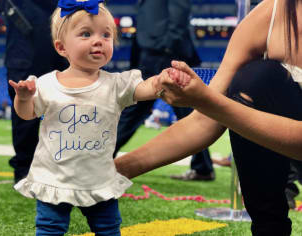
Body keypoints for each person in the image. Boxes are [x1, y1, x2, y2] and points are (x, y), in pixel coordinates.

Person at [115, 0, 302, 235]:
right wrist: (115, 171)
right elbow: (203, 120)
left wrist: (209, 101)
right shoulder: (270, 13)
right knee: (257, 78)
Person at [9, 1, 165, 235]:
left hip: (98, 180)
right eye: (86, 34)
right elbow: (27, 113)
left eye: (106, 34)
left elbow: (144, 89)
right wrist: (23, 98)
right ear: (62, 48)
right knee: (49, 228)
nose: (98, 40)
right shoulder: (46, 83)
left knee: (109, 227)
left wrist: (162, 81)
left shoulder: (116, 84)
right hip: (54, 179)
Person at [113, 0, 214, 181]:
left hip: (163, 52)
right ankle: (203, 167)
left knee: (135, 108)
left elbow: (180, 11)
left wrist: (167, 45)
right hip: (153, 51)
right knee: (184, 111)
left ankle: (101, 159)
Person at [0, 0, 67, 182]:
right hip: (29, 46)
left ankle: (41, 168)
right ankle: (25, 170)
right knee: (25, 114)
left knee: (66, 112)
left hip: (57, 44)